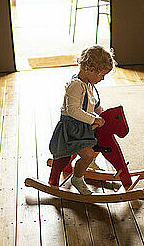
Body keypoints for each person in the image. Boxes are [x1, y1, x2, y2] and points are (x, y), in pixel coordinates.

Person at [48, 45, 115, 195]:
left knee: (92, 147)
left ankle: (82, 167)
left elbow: (91, 102)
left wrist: (98, 110)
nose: (102, 79)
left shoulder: (89, 84)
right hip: (72, 129)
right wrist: (93, 119)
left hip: (83, 127)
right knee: (79, 155)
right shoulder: (76, 86)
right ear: (90, 69)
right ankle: (76, 179)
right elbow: (73, 110)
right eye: (101, 75)